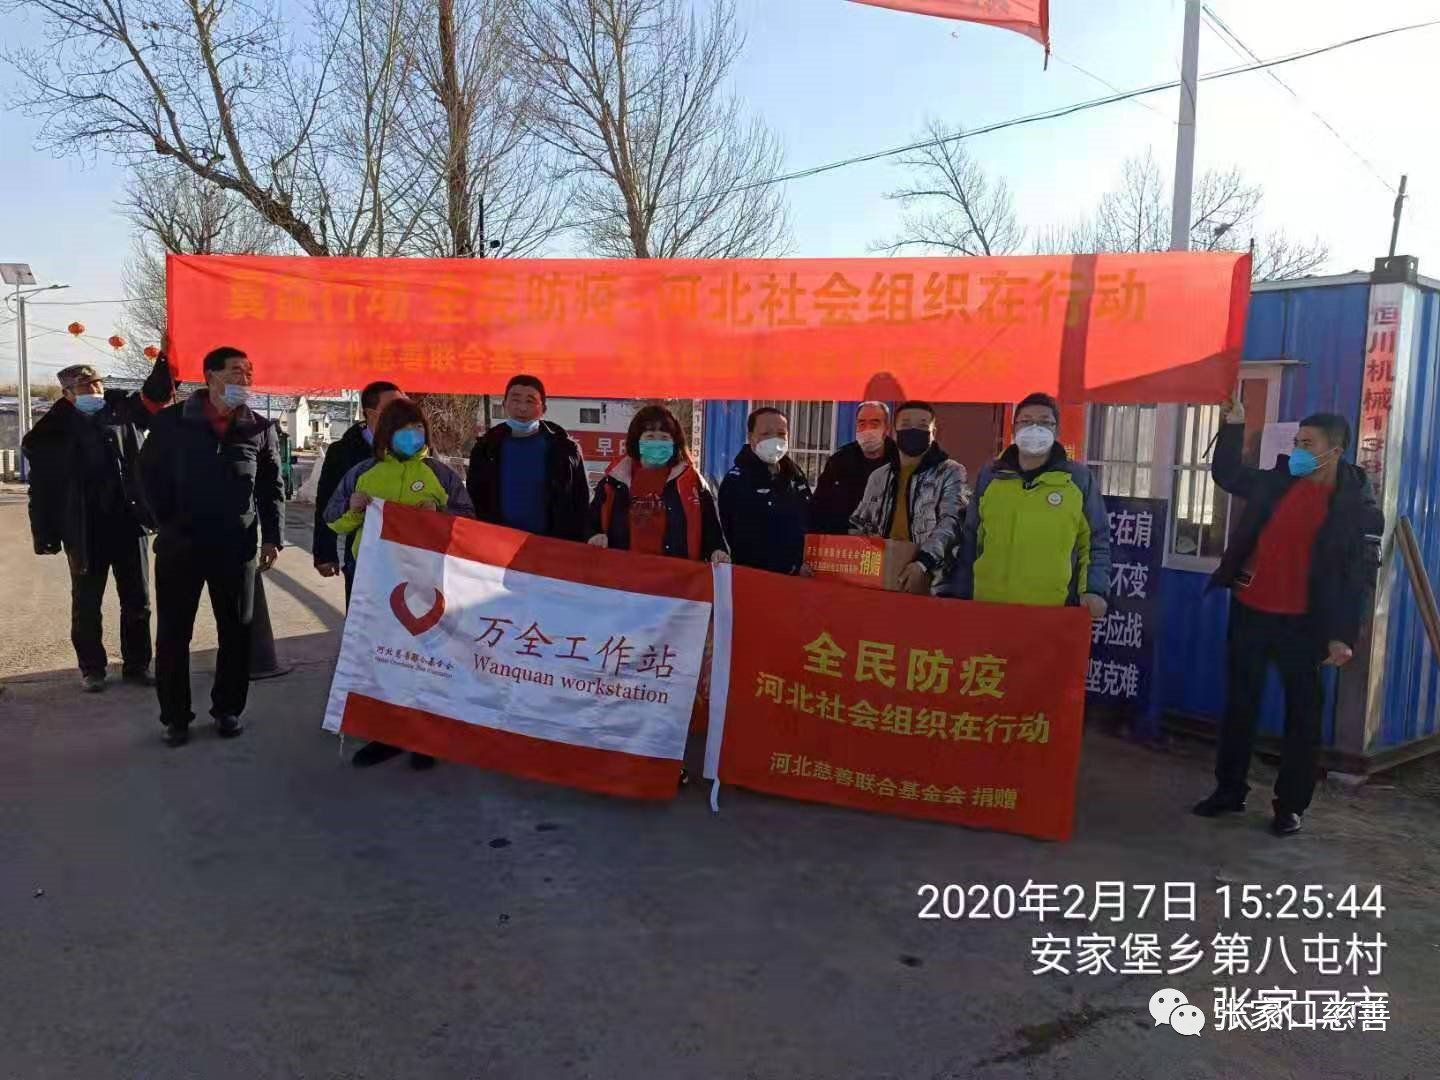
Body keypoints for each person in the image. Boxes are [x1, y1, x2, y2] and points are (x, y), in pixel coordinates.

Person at [1193, 403, 1382, 836]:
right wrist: (1233, 424)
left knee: (1303, 717)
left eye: (1307, 444)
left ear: (1335, 451)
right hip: (1252, 610)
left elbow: (1359, 577)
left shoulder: (1357, 507)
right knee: (1240, 706)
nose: (1297, 450)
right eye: (1296, 441)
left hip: (1304, 625)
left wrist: (1342, 635)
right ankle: (1229, 791)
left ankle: (1290, 806)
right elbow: (1227, 475)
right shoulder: (1277, 482)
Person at [139, 346, 284, 748]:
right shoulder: (172, 422)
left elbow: (271, 487)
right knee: (174, 635)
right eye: (236, 371)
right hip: (181, 546)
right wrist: (165, 522)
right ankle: (175, 718)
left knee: (237, 632)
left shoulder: (259, 427)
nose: (245, 379)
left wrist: (273, 537)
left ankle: (228, 709)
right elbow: (146, 477)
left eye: (249, 372)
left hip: (236, 547)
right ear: (210, 376)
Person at [325, 398, 474, 770]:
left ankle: (424, 738)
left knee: (427, 659)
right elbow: (333, 519)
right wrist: (354, 509)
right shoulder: (364, 473)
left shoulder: (441, 475)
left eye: (417, 428)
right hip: (377, 582)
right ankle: (386, 734)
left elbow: (468, 520)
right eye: (403, 429)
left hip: (429, 583)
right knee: (382, 656)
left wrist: (439, 513)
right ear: (386, 435)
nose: (412, 435)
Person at [23, 354, 174, 691]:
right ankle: (92, 669)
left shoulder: (123, 411)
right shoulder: (50, 433)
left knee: (137, 600)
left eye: (97, 384)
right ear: (67, 394)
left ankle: (137, 664)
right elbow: (42, 489)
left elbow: (157, 393)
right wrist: (44, 534)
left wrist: (165, 358)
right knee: (87, 603)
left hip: (129, 523)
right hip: (84, 529)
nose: (95, 391)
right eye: (85, 387)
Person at [939, 393, 1110, 617]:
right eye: (1026, 421)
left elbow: (1095, 541)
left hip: (1051, 612)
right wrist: (961, 592)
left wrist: (1094, 590)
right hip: (988, 606)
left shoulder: (1078, 479)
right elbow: (971, 538)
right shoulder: (991, 476)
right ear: (1014, 430)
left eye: (1044, 422)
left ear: (1057, 431)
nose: (1035, 428)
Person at [588, 404, 728, 564]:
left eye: (664, 438)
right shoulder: (614, 480)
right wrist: (594, 536)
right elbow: (591, 523)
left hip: (676, 575)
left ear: (674, 443)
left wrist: (717, 551)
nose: (657, 443)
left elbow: (711, 531)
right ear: (637, 440)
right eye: (650, 437)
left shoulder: (693, 483)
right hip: (624, 573)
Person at [849, 401, 967, 592]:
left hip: (931, 580)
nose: (913, 431)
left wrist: (922, 563)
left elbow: (952, 521)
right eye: (905, 425)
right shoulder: (879, 476)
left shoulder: (950, 472)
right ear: (894, 432)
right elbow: (859, 524)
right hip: (882, 576)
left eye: (922, 426)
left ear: (933, 432)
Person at [312, 380, 405, 606]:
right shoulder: (343, 452)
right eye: (394, 408)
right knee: (363, 618)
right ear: (371, 414)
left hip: (409, 555)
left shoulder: (415, 447)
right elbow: (327, 502)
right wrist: (325, 552)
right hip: (362, 554)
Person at [467, 374, 589, 540]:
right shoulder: (485, 449)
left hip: (551, 546)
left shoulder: (565, 450)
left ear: (543, 409)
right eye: (515, 400)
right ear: (504, 405)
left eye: (530, 401)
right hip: (497, 545)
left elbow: (581, 504)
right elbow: (473, 499)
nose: (522, 408)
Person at [718, 406, 812, 574]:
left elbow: (808, 520)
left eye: (781, 434)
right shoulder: (737, 481)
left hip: (798, 578)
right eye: (766, 434)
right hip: (757, 579)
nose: (774, 440)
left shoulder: (795, 474)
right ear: (750, 437)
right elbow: (740, 538)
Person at [810, 401, 897, 534]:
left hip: (887, 542)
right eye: (862, 423)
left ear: (887, 428)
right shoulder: (840, 460)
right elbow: (819, 507)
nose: (867, 429)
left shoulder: (899, 460)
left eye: (874, 423)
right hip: (844, 541)